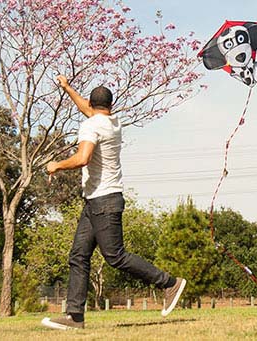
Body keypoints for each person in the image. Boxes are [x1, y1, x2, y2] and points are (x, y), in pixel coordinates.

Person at [41, 76, 186, 330]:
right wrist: (66, 89)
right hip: (95, 201)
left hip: (104, 200)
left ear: (92, 104)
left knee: (115, 256)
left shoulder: (91, 126)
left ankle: (169, 283)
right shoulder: (112, 122)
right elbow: (86, 108)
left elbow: (83, 158)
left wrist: (56, 165)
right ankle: (75, 316)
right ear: (109, 105)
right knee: (78, 255)